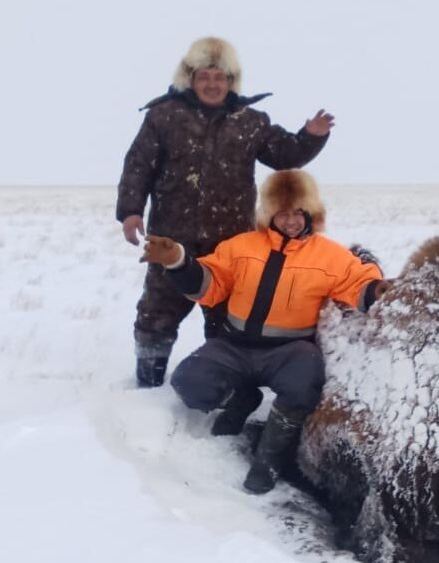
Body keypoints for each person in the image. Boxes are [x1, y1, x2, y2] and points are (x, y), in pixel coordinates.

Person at [139, 170, 389, 494]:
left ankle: (268, 461)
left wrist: (377, 291)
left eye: (299, 212)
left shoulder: (330, 255)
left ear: (310, 213)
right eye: (283, 213)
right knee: (188, 382)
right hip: (233, 346)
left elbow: (358, 282)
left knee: (305, 382)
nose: (292, 221)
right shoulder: (240, 246)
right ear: (269, 214)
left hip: (289, 351)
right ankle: (241, 398)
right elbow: (209, 284)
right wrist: (178, 261)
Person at [116, 36, 335, 387]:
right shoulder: (164, 116)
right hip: (171, 241)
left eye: (220, 78)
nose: (213, 84)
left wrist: (310, 135)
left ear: (232, 82)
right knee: (156, 315)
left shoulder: (250, 122)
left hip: (230, 246)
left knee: (226, 322)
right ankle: (148, 385)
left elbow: (285, 156)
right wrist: (130, 211)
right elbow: (138, 166)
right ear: (191, 78)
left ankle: (218, 389)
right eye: (205, 77)